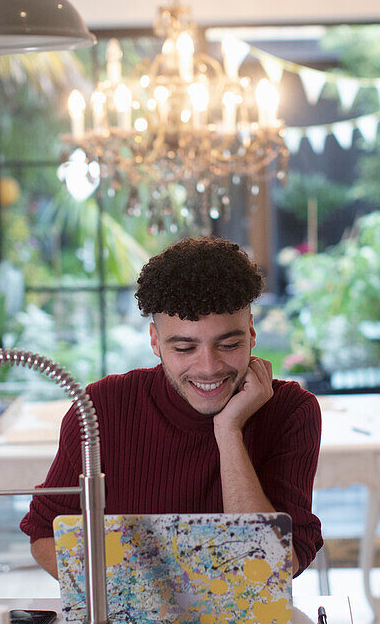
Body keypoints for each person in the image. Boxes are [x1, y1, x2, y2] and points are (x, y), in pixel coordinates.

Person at [20, 236, 323, 577]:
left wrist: (228, 431)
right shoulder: (101, 408)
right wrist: (126, 602)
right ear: (155, 341)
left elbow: (271, 570)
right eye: (184, 348)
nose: (208, 367)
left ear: (252, 334)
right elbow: (46, 533)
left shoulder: (292, 411)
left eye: (229, 344)